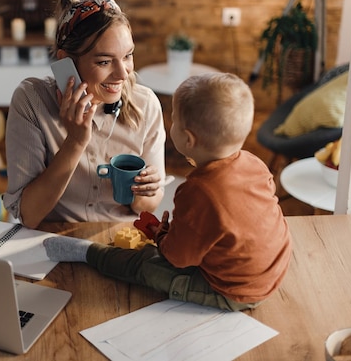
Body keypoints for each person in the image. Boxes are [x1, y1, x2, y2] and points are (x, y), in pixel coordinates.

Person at [43, 72, 292, 311]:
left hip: (234, 292)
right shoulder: (254, 163)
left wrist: (162, 237)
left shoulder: (196, 191)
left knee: (147, 265)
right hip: (275, 269)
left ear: (188, 139)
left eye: (174, 118)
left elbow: (178, 258)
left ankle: (89, 253)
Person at [3, 0, 166, 229]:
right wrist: (76, 141)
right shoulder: (32, 102)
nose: (123, 73)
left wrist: (146, 191)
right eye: (104, 61)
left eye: (128, 56)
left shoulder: (147, 105)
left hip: (120, 239)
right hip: (54, 239)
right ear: (66, 62)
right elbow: (29, 215)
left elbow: (146, 207)